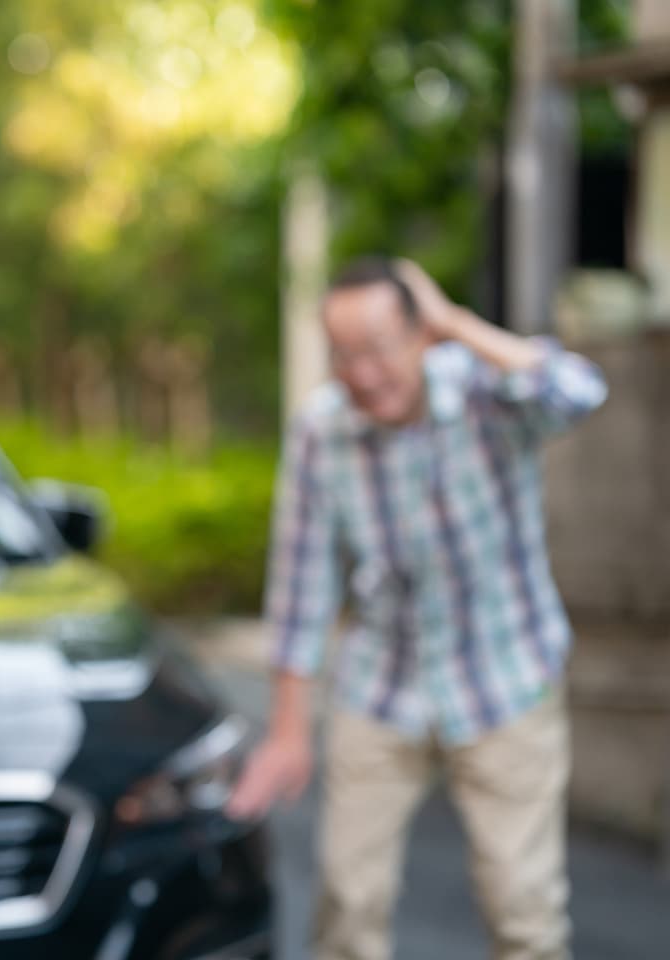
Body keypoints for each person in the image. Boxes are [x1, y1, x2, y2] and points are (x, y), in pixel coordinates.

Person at [226, 257, 607, 960]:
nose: (362, 373)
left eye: (377, 349)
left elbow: (581, 391)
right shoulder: (322, 430)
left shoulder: (488, 392)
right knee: (346, 899)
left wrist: (457, 323)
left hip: (506, 676)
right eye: (343, 354)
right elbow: (302, 585)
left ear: (420, 335)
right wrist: (287, 731)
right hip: (383, 682)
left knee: (523, 905)